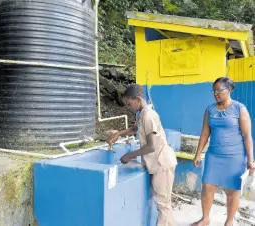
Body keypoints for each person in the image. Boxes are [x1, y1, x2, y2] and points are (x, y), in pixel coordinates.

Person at [107, 84, 177, 226]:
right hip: (158, 162)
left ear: (137, 99)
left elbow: (151, 145)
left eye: (129, 103)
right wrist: (118, 134)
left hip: (162, 163)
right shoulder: (142, 114)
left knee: (163, 204)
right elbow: (134, 129)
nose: (128, 107)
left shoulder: (148, 116)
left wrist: (130, 155)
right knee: (165, 203)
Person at [191, 77, 255, 226]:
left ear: (229, 90)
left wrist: (250, 160)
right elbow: (205, 134)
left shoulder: (240, 109)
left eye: (219, 90)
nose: (216, 94)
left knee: (232, 191)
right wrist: (198, 153)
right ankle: (205, 219)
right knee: (207, 187)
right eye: (214, 91)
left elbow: (247, 136)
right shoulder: (210, 109)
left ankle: (229, 222)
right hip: (214, 155)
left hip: (235, 157)